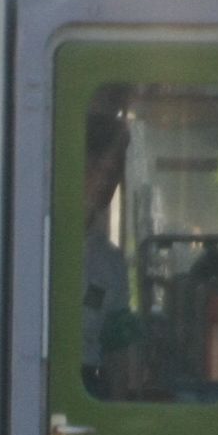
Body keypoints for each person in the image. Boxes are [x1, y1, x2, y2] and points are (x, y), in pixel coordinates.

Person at [81, 110, 136, 392]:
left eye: (113, 173)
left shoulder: (111, 263)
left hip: (89, 386)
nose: (105, 181)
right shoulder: (29, 242)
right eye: (95, 168)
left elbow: (117, 352)